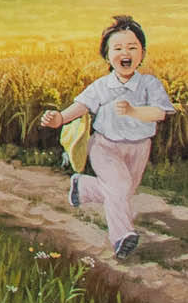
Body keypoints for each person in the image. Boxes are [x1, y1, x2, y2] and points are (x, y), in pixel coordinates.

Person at [38, 15, 171, 261]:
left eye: (132, 47)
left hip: (140, 148)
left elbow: (160, 113)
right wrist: (58, 119)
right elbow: (80, 107)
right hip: (105, 147)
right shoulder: (102, 86)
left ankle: (84, 187)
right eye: (117, 48)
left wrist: (133, 111)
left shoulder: (149, 85)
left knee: (122, 193)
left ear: (142, 52)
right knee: (119, 188)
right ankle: (122, 237)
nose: (125, 53)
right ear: (107, 56)